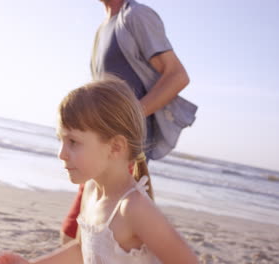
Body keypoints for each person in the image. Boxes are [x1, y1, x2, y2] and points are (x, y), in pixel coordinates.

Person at [0, 76, 198, 264]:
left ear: (115, 147)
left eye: (73, 141)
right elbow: (82, 250)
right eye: (60, 140)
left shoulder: (134, 208)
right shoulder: (91, 190)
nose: (61, 153)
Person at [60, 0, 198, 243]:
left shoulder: (136, 16)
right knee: (76, 235)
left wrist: (127, 117)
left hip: (119, 152)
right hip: (97, 148)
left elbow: (177, 75)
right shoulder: (103, 28)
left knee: (88, 238)